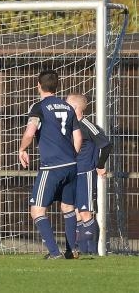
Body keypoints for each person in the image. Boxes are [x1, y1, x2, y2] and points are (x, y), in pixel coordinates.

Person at [18, 70, 82, 259]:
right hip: (71, 164)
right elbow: (77, 137)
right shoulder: (69, 107)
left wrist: (22, 149)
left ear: (38, 85)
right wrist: (70, 157)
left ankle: (54, 253)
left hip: (52, 166)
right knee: (68, 208)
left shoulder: (38, 107)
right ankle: (72, 250)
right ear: (57, 86)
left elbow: (30, 132)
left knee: (37, 210)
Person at [66, 93, 112, 255]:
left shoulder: (87, 125)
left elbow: (106, 145)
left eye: (67, 105)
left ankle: (90, 252)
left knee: (85, 212)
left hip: (85, 172)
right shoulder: (68, 125)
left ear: (75, 108)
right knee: (76, 212)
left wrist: (100, 165)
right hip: (71, 172)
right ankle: (80, 251)